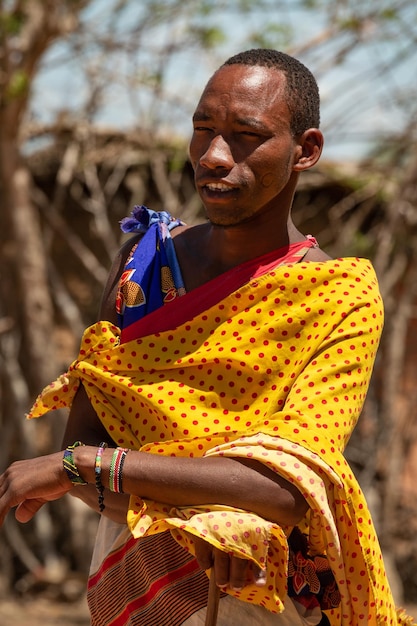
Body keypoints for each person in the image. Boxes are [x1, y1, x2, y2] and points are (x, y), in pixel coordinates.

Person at [0, 49, 412, 626]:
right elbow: (90, 438)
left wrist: (79, 467)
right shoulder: (143, 270)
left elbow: (286, 488)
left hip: (265, 594)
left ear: (307, 151)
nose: (215, 157)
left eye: (246, 135)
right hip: (145, 573)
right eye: (203, 131)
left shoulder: (336, 296)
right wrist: (195, 524)